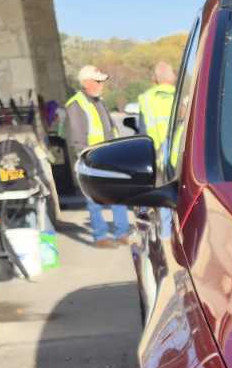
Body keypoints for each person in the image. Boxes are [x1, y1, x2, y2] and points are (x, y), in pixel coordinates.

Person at [64, 63, 130, 248]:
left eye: (102, 82)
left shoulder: (97, 101)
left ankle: (122, 233)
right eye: (98, 81)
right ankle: (100, 237)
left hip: (109, 157)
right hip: (91, 160)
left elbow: (109, 130)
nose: (101, 85)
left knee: (117, 196)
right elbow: (78, 139)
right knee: (94, 200)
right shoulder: (76, 104)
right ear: (86, 82)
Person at [137, 60, 177, 237]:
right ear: (174, 77)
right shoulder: (183, 95)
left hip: (157, 153)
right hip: (182, 153)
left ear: (155, 79)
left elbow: (142, 132)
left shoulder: (146, 99)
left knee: (163, 197)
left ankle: (166, 237)